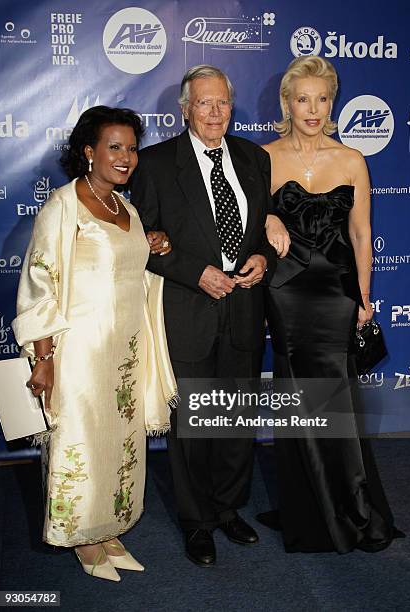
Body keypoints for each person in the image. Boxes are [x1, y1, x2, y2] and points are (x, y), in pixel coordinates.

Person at [131, 65, 287, 567]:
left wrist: (264, 256)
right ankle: (197, 521)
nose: (215, 112)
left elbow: (261, 228)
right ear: (185, 108)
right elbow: (145, 242)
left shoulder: (253, 157)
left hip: (244, 307)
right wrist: (195, 272)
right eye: (204, 103)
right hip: (189, 307)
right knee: (195, 424)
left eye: (222, 102)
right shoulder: (155, 164)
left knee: (238, 417)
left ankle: (227, 509)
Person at [12, 106, 177, 581]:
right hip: (79, 352)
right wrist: (43, 359)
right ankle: (81, 536)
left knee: (117, 443)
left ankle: (107, 528)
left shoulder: (124, 207)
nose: (126, 157)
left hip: (125, 353)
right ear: (89, 151)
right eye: (114, 147)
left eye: (131, 148)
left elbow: (128, 268)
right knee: (80, 441)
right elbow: (40, 285)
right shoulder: (63, 207)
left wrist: (153, 243)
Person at [259, 56, 402, 553]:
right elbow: (244, 217)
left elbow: (361, 233)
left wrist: (364, 296)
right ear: (287, 103)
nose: (313, 109)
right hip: (286, 290)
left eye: (322, 99)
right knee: (299, 395)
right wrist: (267, 222)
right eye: (303, 99)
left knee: (337, 394)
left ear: (332, 103)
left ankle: (351, 503)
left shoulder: (351, 160)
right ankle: (308, 507)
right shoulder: (266, 157)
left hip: (337, 289)